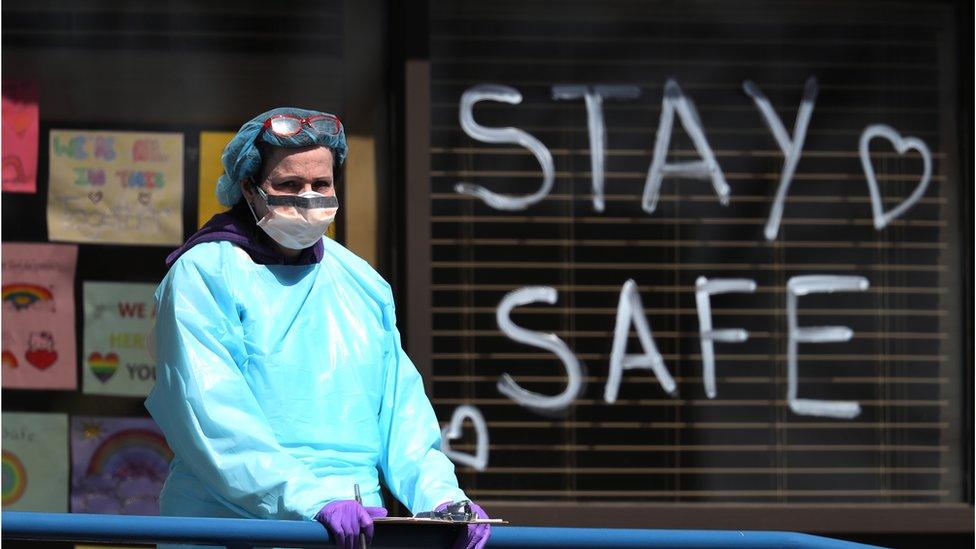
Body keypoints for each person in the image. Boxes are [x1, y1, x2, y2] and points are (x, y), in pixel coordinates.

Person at [145, 107, 491, 549]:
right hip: (232, 526)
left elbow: (402, 413)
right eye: (289, 185)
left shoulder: (360, 282)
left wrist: (442, 499)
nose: (308, 197)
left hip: (351, 526)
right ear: (249, 189)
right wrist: (311, 502)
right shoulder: (206, 274)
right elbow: (211, 416)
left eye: (321, 184)